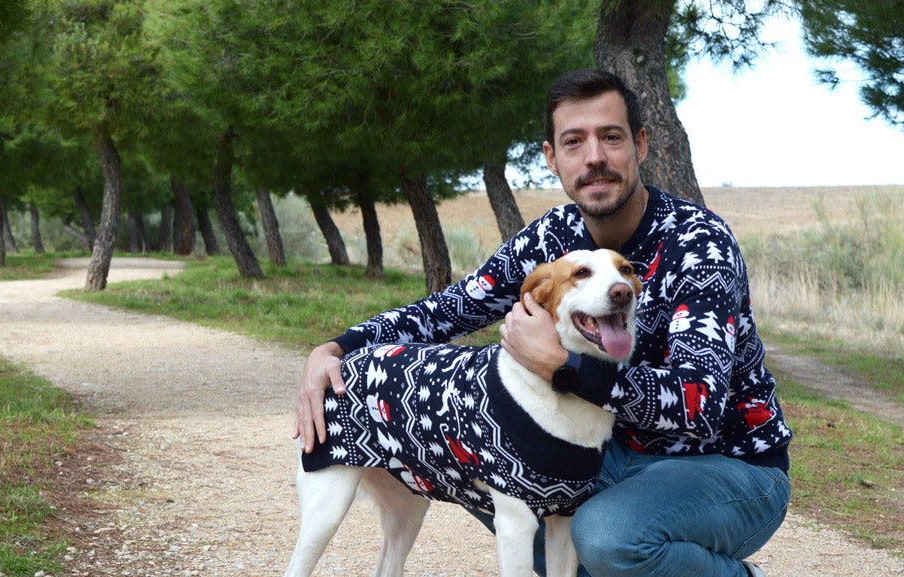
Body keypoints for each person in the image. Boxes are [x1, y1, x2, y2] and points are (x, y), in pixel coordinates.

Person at [295, 68, 791, 577]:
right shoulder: (551, 238)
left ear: (640, 145)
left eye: (611, 137)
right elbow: (450, 309)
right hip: (610, 448)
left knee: (604, 537)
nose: (594, 156)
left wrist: (564, 367)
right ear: (552, 157)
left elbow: (697, 406)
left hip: (729, 463)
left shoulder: (697, 241)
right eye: (574, 142)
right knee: (496, 472)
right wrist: (336, 347)